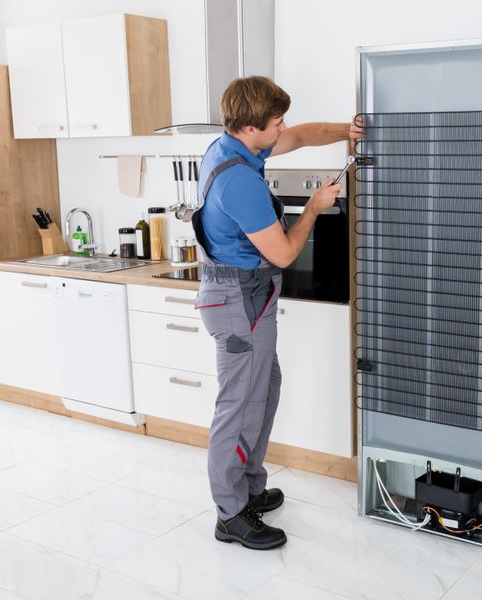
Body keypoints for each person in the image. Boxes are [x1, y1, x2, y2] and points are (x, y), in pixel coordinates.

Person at [192, 76, 364, 550]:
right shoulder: (239, 182)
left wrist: (349, 130)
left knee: (264, 389)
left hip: (248, 296)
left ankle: (248, 488)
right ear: (251, 127)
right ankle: (230, 513)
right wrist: (312, 208)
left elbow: (304, 134)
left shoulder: (235, 145)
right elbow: (287, 253)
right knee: (239, 405)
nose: (282, 128)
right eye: (275, 122)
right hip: (236, 302)